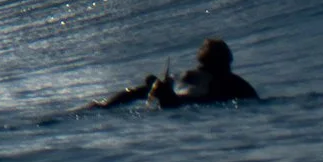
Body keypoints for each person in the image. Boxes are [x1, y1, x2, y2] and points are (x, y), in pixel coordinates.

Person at [93, 39, 258, 109]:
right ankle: (167, 96)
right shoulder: (231, 81)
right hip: (184, 102)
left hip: (173, 93)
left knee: (142, 91)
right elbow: (253, 100)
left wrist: (106, 104)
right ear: (226, 61)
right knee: (181, 101)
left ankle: (104, 105)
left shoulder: (183, 75)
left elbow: (135, 93)